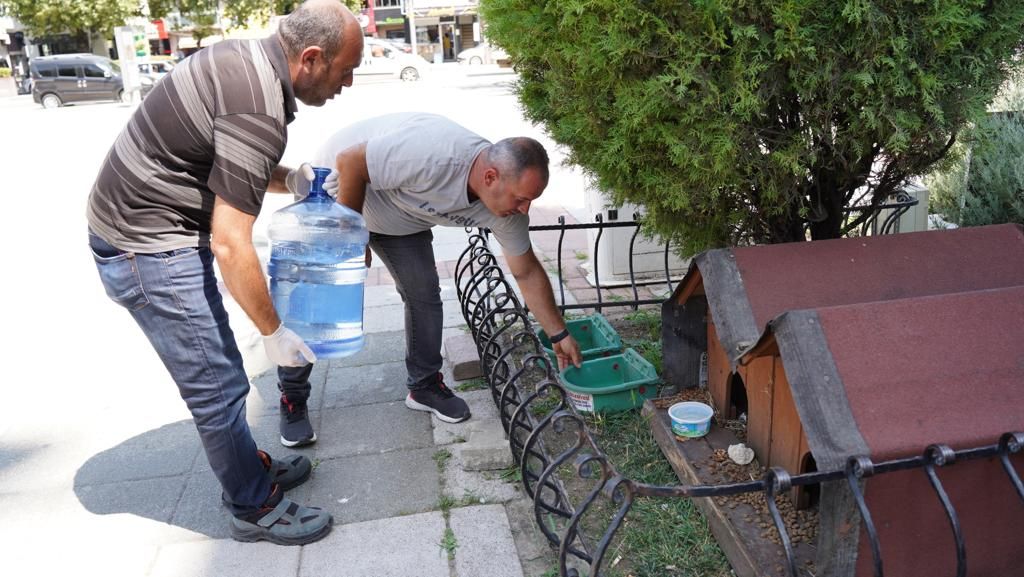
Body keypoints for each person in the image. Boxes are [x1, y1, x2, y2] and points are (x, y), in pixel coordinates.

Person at [85, 0, 363, 546]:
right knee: (216, 384)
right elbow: (232, 245)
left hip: (139, 228)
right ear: (310, 58)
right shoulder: (258, 107)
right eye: (345, 69)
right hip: (146, 246)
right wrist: (274, 332)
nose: (347, 83)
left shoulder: (245, 61)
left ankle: (245, 467)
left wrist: (292, 179)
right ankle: (252, 506)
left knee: (222, 372)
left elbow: (233, 160)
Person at [275, 112, 583, 440]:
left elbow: (527, 271)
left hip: (400, 215)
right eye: (521, 199)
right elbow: (351, 160)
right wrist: (352, 236)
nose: (525, 210)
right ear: (490, 176)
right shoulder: (434, 155)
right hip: (337, 189)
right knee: (320, 297)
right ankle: (292, 396)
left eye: (530, 201)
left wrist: (558, 334)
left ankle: (424, 386)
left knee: (423, 292)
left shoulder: (508, 213)